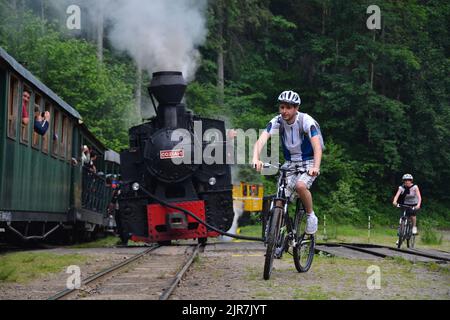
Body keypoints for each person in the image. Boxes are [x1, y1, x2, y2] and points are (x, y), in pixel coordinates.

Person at [252, 90, 324, 234]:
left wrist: (316, 167)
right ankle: (275, 228)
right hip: (289, 163)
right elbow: (261, 140)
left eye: (288, 107)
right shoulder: (277, 121)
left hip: (308, 162)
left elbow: (317, 146)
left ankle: (311, 215)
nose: (284, 111)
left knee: (300, 186)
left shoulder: (306, 121)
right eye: (282, 107)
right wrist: (255, 158)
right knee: (280, 197)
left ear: (296, 108)